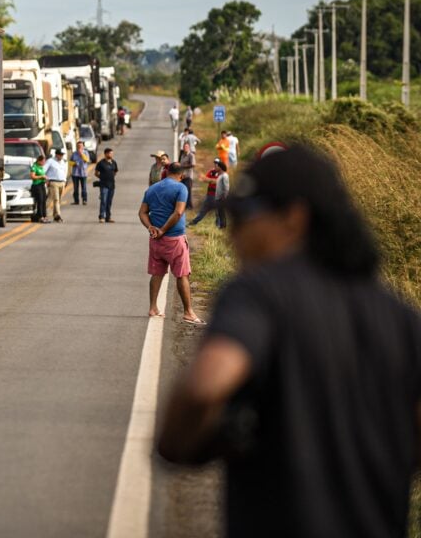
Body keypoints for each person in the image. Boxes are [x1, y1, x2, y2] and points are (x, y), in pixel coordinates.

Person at [158, 146, 421, 538]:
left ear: (294, 219)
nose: (235, 236)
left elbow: (206, 385)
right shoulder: (399, 316)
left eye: (245, 218)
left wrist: (184, 442)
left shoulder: (261, 293)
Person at [139, 162, 203, 324]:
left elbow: (142, 213)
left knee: (157, 273)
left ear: (166, 172)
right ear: (181, 175)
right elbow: (178, 212)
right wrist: (164, 230)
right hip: (174, 239)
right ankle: (188, 312)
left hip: (155, 240)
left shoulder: (152, 188)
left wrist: (151, 228)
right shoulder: (181, 188)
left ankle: (153, 308)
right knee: (182, 275)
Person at [189, 159, 229, 228]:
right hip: (210, 194)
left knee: (218, 213)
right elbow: (204, 179)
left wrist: (207, 179)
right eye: (215, 163)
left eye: (217, 164)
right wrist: (203, 178)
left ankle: (219, 226)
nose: (215, 165)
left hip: (218, 196)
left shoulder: (223, 175)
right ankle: (193, 222)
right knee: (204, 210)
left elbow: (216, 182)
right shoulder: (212, 172)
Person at [95, 147, 118, 223]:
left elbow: (115, 171)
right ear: (105, 154)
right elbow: (96, 173)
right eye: (110, 153)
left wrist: (110, 177)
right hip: (104, 185)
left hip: (112, 185)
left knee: (109, 202)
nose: (111, 155)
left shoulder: (114, 162)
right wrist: (102, 177)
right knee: (103, 201)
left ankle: (108, 217)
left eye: (112, 153)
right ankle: (102, 216)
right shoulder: (101, 163)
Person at [44, 148, 68, 223]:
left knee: (58, 200)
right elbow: (43, 170)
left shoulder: (63, 162)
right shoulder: (50, 161)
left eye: (62, 155)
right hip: (53, 182)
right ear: (56, 154)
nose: (61, 156)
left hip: (61, 182)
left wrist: (65, 180)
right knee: (56, 199)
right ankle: (58, 215)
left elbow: (64, 171)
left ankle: (55, 216)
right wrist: (46, 180)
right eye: (60, 155)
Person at [70, 141, 91, 205]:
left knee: (84, 188)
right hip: (75, 173)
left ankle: (84, 200)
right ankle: (76, 201)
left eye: (80, 146)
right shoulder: (74, 154)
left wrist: (81, 154)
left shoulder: (86, 153)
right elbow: (70, 162)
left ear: (83, 146)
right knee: (75, 188)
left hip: (83, 173)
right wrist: (74, 163)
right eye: (78, 146)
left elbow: (87, 160)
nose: (79, 147)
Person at [30, 152, 48, 223]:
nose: (44, 163)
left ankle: (44, 215)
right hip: (37, 186)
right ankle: (40, 216)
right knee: (40, 201)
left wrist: (45, 179)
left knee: (44, 200)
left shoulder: (41, 167)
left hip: (42, 184)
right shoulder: (34, 167)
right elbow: (32, 176)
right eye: (43, 161)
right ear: (39, 161)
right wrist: (41, 176)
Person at [178, 141, 197, 210]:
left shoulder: (191, 155)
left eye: (186, 147)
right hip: (182, 176)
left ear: (189, 148)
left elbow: (193, 164)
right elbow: (179, 163)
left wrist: (183, 166)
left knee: (188, 191)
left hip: (188, 176)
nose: (185, 148)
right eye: (184, 147)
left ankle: (190, 206)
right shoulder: (182, 155)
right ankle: (184, 205)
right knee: (182, 191)